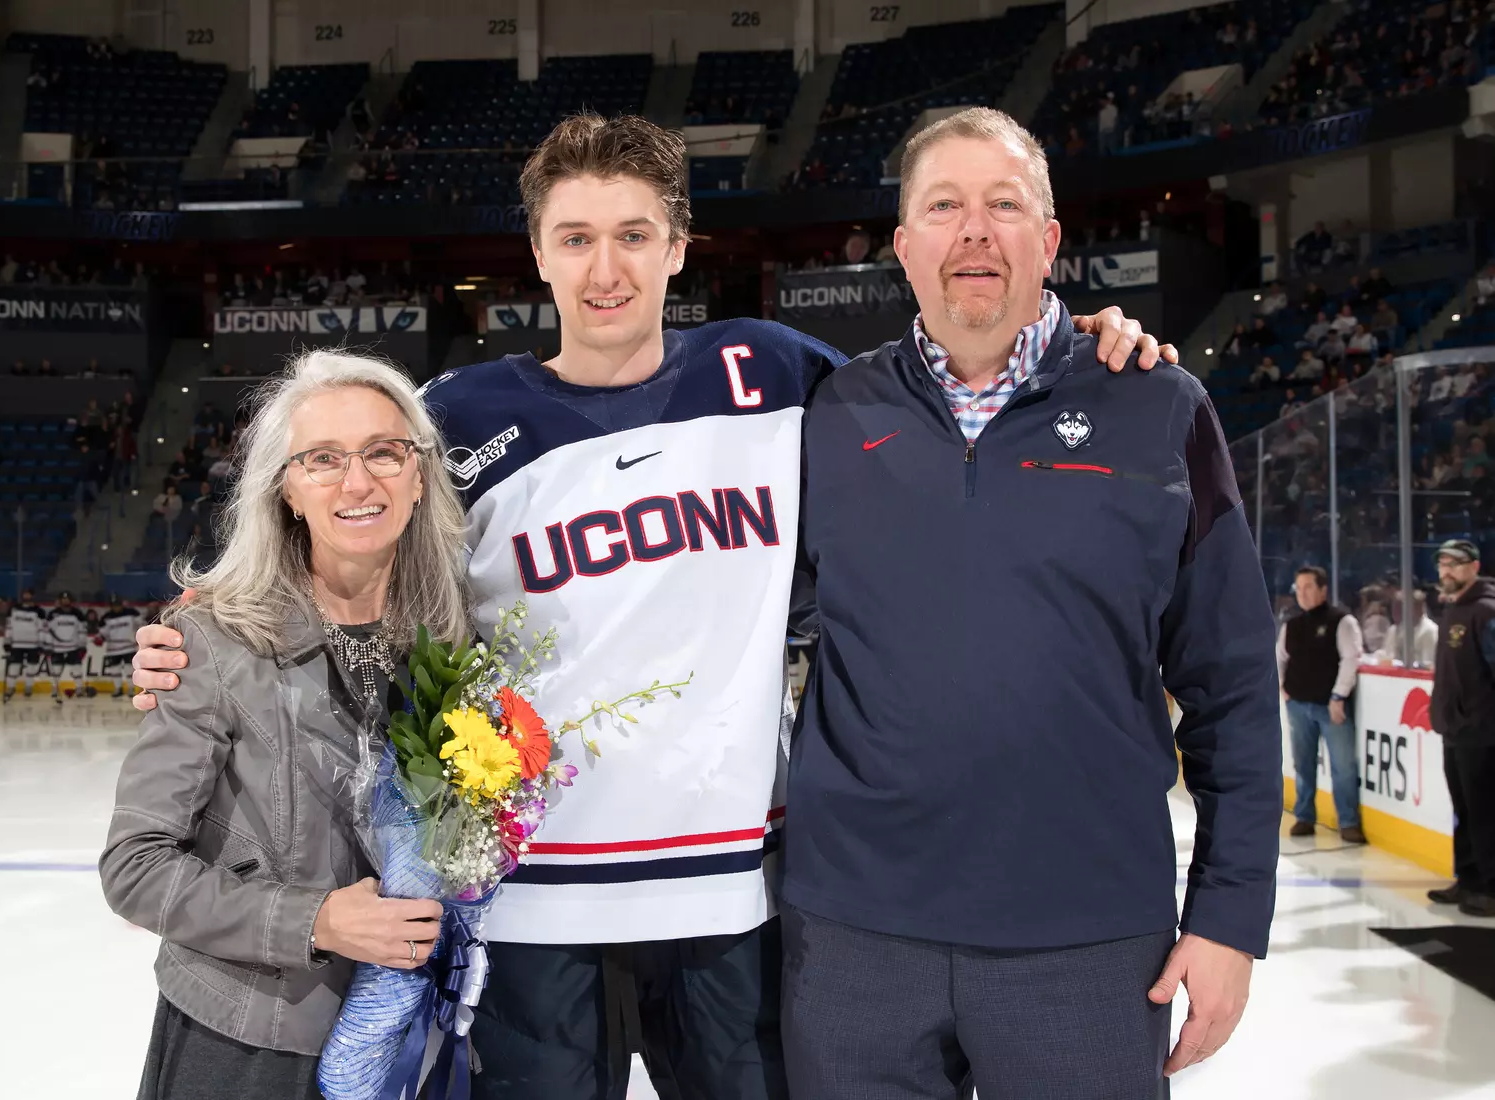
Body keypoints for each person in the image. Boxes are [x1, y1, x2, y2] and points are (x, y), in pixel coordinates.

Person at [130, 112, 1175, 1100]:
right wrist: (211, 636)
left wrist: (1079, 335)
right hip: (531, 911)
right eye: (576, 238)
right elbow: (345, 554)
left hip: (734, 904)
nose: (606, 269)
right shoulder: (458, 421)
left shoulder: (772, 373)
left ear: (679, 246)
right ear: (537, 253)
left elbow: (947, 380)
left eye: (634, 235)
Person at [784, 107, 1278, 1098]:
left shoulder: (1159, 406)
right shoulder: (829, 417)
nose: (975, 230)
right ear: (904, 247)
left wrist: (1229, 914)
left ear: (1049, 241)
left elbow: (1230, 682)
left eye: (1003, 205)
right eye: (944, 206)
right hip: (852, 939)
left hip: (1089, 940)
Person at [100, 350, 466, 1099]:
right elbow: (134, 866)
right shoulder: (212, 639)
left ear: (420, 475)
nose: (357, 482)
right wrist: (315, 922)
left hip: (414, 1034)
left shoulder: (460, 637)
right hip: (251, 1043)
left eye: (384, 452)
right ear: (286, 489)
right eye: (323, 458)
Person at [1426, 539, 1495, 918]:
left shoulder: (1486, 611)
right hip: (1455, 730)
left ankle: (1490, 887)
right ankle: (1468, 879)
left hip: (1482, 733)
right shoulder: (1453, 609)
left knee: (1485, 813)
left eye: (1455, 563)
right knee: (1464, 811)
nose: (1447, 570)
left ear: (1474, 567)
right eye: (1442, 563)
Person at [1278, 566, 1366, 843]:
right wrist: (1282, 688)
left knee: (1343, 766)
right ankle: (1304, 816)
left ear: (1323, 589)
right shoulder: (1292, 625)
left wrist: (1338, 696)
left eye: (1308, 587)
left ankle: (1348, 821)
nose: (1302, 593)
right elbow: (1279, 658)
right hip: (1298, 706)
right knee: (1303, 764)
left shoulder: (1341, 621)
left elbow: (1350, 659)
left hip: (1330, 707)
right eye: (1299, 588)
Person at [2, 589, 48, 702]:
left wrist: (42, 643)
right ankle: (11, 687)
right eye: (25, 594)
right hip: (17, 643)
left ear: (33, 596)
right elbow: (9, 626)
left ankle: (28, 687)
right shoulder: (13, 609)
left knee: (31, 666)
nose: (26, 596)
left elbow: (42, 629)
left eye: (29, 594)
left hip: (33, 644)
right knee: (14, 666)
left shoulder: (39, 611)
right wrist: (7, 641)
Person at [44, 592, 91, 702]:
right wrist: (47, 645)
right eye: (63, 599)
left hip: (73, 647)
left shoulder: (77, 614)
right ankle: (55, 689)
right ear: (60, 600)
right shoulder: (53, 614)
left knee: (77, 669)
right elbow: (47, 630)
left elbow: (82, 630)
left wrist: (82, 645)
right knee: (56, 670)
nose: (65, 601)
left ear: (71, 600)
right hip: (57, 648)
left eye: (67, 599)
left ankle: (79, 689)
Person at [98, 595, 141, 698]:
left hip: (129, 647)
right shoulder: (106, 618)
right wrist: (100, 638)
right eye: (114, 605)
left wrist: (139, 638)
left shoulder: (132, 613)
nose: (116, 607)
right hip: (113, 649)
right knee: (115, 670)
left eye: (117, 605)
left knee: (129, 669)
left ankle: (131, 688)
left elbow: (141, 625)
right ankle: (118, 688)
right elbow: (103, 633)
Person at [1382, 589, 1438, 667]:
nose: (1395, 612)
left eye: (1400, 607)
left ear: (1419, 609)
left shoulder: (1430, 630)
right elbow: (1386, 656)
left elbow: (1429, 664)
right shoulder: (1393, 630)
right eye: (1394, 607)